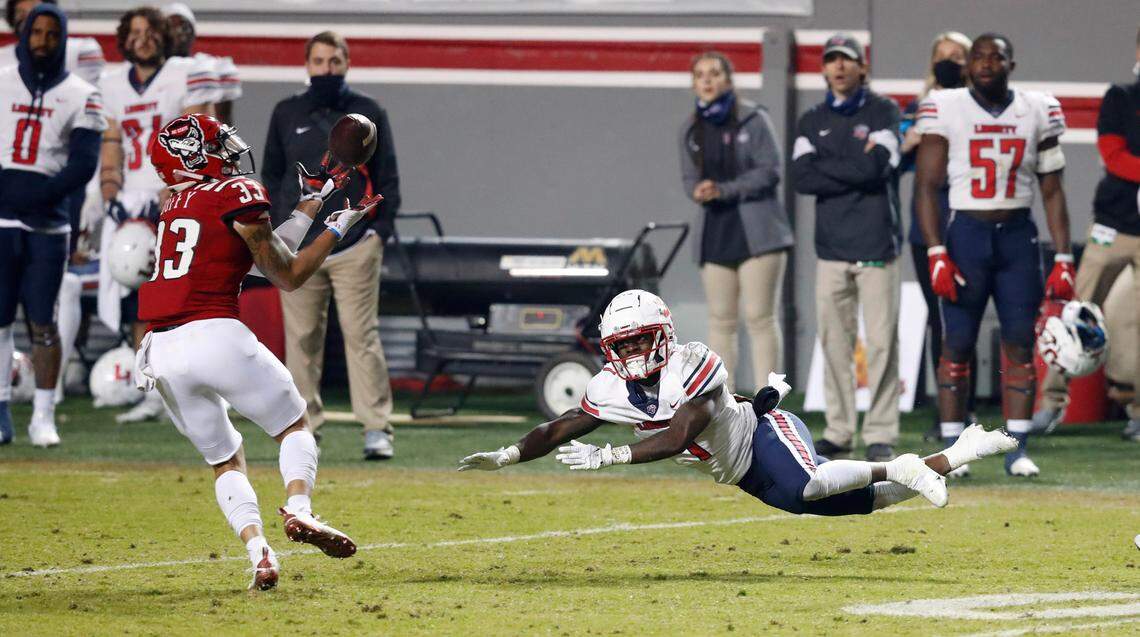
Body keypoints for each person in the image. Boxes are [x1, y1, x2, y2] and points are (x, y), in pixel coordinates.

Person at [458, 290, 1016, 520]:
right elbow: (559, 428)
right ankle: (960, 453)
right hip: (739, 471)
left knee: (813, 484)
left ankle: (899, 463)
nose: (631, 351)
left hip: (765, 432)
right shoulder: (607, 389)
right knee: (847, 504)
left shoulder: (692, 361)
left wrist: (611, 457)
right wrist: (508, 454)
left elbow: (679, 435)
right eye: (621, 344)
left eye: (639, 339)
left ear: (664, 334)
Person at [139, 113, 379, 590]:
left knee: (225, 461)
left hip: (160, 350)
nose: (230, 151)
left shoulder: (173, 205)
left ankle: (259, 552)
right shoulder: (236, 192)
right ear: (194, 155)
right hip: (214, 333)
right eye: (218, 145)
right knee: (293, 426)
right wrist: (337, 226)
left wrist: (310, 201)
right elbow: (285, 275)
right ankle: (300, 508)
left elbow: (261, 255)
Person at [914, 34, 1074, 477]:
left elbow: (1053, 190)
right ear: (967, 66)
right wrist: (936, 251)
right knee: (957, 344)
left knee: (1020, 343)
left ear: (1011, 63)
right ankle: (950, 451)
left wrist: (1063, 255)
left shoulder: (1038, 108)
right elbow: (926, 186)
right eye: (979, 56)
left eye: (995, 56)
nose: (986, 63)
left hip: (1017, 237)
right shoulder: (945, 105)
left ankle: (1016, 448)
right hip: (965, 233)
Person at [261, 30, 400, 460]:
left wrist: (380, 231)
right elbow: (271, 175)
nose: (327, 69)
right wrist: (277, 231)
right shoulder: (286, 112)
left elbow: (389, 178)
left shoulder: (369, 111)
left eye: (334, 61)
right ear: (307, 65)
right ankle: (305, 426)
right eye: (319, 62)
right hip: (299, 243)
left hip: (354, 240)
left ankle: (377, 428)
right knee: (301, 338)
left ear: (346, 63)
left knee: (362, 336)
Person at [98, 5, 218, 423]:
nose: (143, 39)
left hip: (178, 198)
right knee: (139, 300)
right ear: (123, 38)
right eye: (135, 32)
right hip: (131, 206)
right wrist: (110, 191)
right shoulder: (111, 82)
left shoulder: (186, 72)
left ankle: (194, 388)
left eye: (151, 31)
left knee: (186, 297)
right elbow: (110, 140)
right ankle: (151, 389)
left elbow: (203, 136)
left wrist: (175, 189)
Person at [790, 33, 903, 462]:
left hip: (877, 246)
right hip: (831, 251)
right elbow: (802, 178)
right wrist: (855, 165)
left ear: (862, 68)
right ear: (824, 69)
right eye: (831, 60)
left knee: (881, 345)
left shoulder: (885, 110)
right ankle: (839, 430)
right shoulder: (810, 119)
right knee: (835, 344)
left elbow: (878, 168)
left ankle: (880, 431)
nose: (839, 67)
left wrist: (829, 165)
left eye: (847, 60)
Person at [0, 3, 104, 446]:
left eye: (51, 34)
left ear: (62, 39)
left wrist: (39, 195)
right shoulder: (2, 81)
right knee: (0, 321)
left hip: (48, 223)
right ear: (23, 34)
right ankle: (2, 409)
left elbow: (83, 164)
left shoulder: (83, 93)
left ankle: (44, 414)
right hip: (3, 219)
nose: (42, 41)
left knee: (44, 322)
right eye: (36, 32)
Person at [1036, 27, 1140, 440]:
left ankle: (1136, 409)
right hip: (1112, 225)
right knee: (1075, 311)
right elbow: (1113, 155)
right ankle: (1052, 401)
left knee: (1135, 323)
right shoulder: (1121, 96)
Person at [679, 51, 792, 393]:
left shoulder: (753, 119)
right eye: (700, 75)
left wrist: (725, 189)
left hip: (759, 235)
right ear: (694, 83)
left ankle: (768, 404)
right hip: (716, 232)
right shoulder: (690, 129)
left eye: (714, 73)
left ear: (728, 79)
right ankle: (723, 406)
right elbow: (687, 180)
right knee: (721, 322)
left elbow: (771, 172)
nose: (708, 80)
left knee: (760, 318)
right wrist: (699, 191)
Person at [898, 31, 980, 464]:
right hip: (926, 227)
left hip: (966, 219)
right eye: (943, 56)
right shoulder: (918, 106)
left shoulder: (977, 104)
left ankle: (967, 410)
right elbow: (896, 159)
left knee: (965, 314)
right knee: (938, 318)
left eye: (957, 57)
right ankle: (942, 408)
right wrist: (910, 134)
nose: (950, 62)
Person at [163, 2, 242, 125]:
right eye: (171, 26)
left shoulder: (207, 68)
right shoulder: (143, 73)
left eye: (184, 26)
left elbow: (223, 123)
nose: (178, 32)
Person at [1, 0, 105, 85]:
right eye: (21, 13)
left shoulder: (81, 50)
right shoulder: (2, 57)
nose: (28, 19)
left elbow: (82, 98)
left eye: (34, 11)